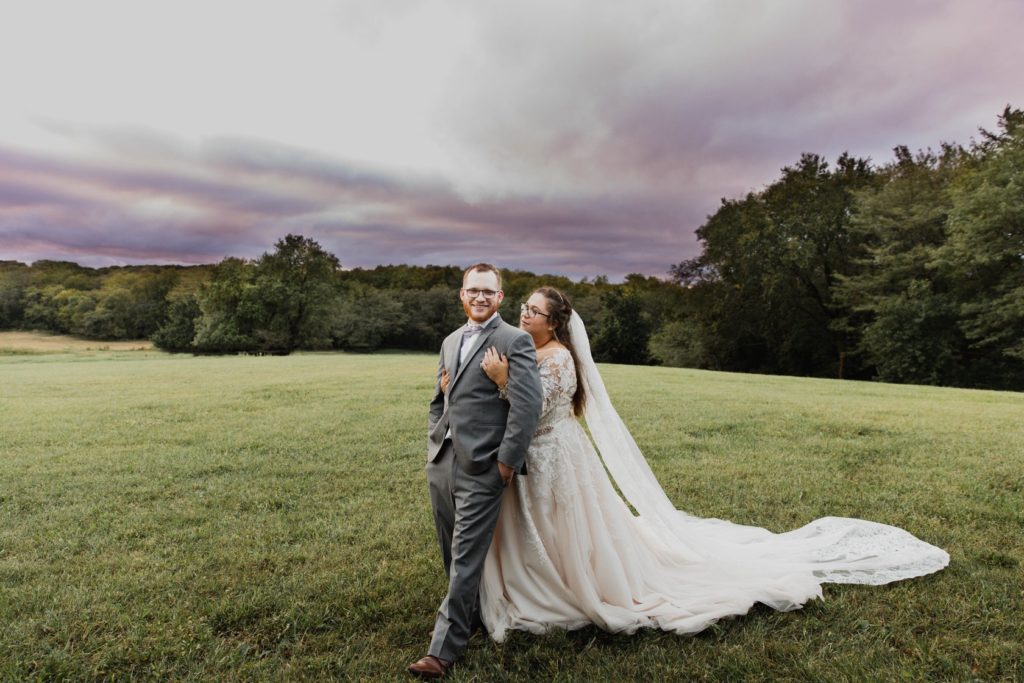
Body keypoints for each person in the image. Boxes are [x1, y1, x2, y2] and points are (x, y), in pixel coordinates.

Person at [475, 286, 949, 642]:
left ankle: (561, 583)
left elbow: (531, 411)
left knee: (567, 524)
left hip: (554, 454)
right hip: (536, 455)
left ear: (554, 323)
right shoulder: (530, 350)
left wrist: (500, 381)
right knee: (544, 523)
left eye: (533, 310)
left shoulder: (557, 359)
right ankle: (531, 575)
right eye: (524, 307)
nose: (524, 313)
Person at [408, 264, 544, 679]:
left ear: (500, 297)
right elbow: (439, 398)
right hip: (444, 461)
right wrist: (436, 440)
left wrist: (506, 460)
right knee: (450, 549)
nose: (480, 297)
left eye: (488, 291)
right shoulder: (450, 341)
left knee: (466, 554)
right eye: (473, 291)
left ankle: (443, 651)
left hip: (486, 466)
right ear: (461, 296)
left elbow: (527, 406)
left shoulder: (515, 340)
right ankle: (469, 616)